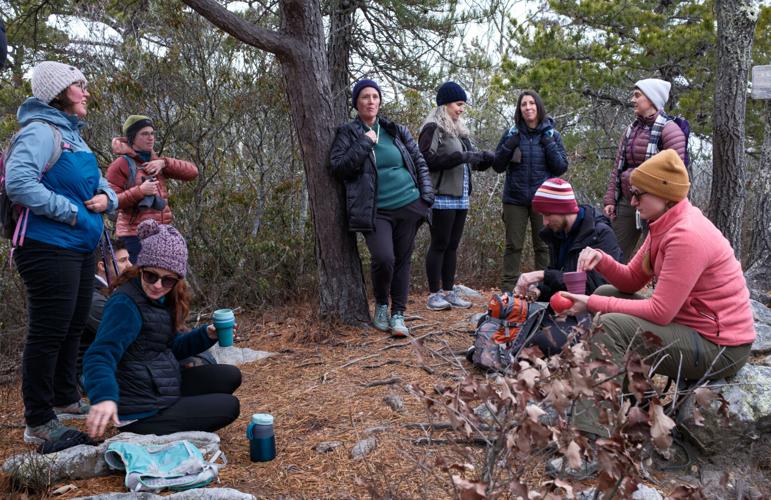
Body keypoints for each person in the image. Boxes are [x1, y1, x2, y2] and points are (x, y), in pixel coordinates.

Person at [563, 150, 755, 434]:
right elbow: (630, 281)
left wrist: (591, 302)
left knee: (610, 324)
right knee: (608, 291)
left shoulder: (686, 235)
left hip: (721, 347)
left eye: (639, 194)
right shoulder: (663, 225)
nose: (632, 201)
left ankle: (589, 436)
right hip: (692, 327)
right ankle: (641, 408)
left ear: (663, 195)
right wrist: (602, 259)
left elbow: (660, 312)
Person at [5, 61, 118, 447]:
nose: (85, 91)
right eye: (78, 85)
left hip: (81, 247)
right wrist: (69, 212)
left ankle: (66, 397)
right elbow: (18, 183)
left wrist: (110, 197)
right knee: (49, 330)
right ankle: (38, 419)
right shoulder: (39, 133)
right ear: (58, 91)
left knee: (72, 324)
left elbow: (98, 182)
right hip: (47, 248)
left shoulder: (74, 135)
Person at [84, 220, 241, 438]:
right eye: (151, 275)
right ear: (141, 269)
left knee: (229, 375)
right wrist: (104, 397)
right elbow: (99, 355)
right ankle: (160, 424)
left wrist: (207, 334)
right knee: (229, 406)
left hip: (161, 387)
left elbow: (170, 347)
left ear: (177, 280)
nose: (158, 285)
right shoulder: (125, 304)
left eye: (167, 280)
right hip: (141, 411)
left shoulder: (161, 299)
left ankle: (181, 411)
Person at [329, 79, 434, 337]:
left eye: (375, 96)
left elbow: (418, 160)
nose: (371, 101)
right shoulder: (348, 133)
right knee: (384, 258)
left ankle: (398, 314)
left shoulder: (395, 130)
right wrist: (365, 142)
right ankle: (381, 306)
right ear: (356, 102)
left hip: (409, 205)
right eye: (365, 97)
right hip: (376, 210)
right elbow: (339, 167)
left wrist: (426, 197)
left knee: (403, 260)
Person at [513, 178, 623, 354]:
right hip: (563, 310)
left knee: (538, 344)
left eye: (548, 215)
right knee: (506, 320)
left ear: (563, 210)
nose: (545, 222)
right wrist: (538, 291)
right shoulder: (558, 233)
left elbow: (595, 289)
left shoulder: (600, 235)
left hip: (592, 315)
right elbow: (559, 277)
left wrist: (542, 275)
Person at [419, 81, 494, 311]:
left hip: (461, 195)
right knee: (439, 243)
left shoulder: (459, 131)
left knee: (452, 245)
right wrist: (461, 157)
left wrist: (485, 160)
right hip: (441, 194)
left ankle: (449, 292)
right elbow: (424, 160)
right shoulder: (433, 127)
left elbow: (466, 161)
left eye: (463, 105)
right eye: (458, 104)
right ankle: (434, 295)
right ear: (445, 104)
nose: (461, 109)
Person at [492, 90, 569, 292]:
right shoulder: (512, 133)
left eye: (531, 103)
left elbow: (561, 167)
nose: (528, 107)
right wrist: (510, 144)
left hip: (542, 200)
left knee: (543, 246)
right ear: (519, 109)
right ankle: (509, 288)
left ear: (538, 106)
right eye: (523, 104)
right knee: (513, 246)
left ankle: (545, 288)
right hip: (514, 199)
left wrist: (548, 142)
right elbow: (497, 165)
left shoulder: (551, 134)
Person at [603, 78, 686, 263]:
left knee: (657, 256)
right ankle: (608, 290)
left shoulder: (670, 131)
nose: (633, 99)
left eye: (637, 95)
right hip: (627, 200)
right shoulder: (631, 130)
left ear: (651, 99)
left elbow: (676, 175)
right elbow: (618, 167)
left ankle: (660, 291)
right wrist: (610, 199)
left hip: (656, 205)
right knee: (613, 254)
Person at [106, 115, 199, 263]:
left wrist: (164, 163)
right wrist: (140, 191)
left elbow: (193, 172)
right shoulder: (120, 164)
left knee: (160, 283)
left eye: (152, 133)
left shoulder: (157, 162)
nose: (150, 138)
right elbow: (111, 202)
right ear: (132, 138)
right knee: (138, 282)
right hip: (133, 236)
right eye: (144, 134)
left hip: (160, 232)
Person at [76, 239, 132, 386]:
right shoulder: (92, 298)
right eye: (123, 260)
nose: (130, 265)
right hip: (92, 371)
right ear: (101, 266)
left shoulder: (113, 290)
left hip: (114, 361)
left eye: (129, 259)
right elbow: (126, 333)